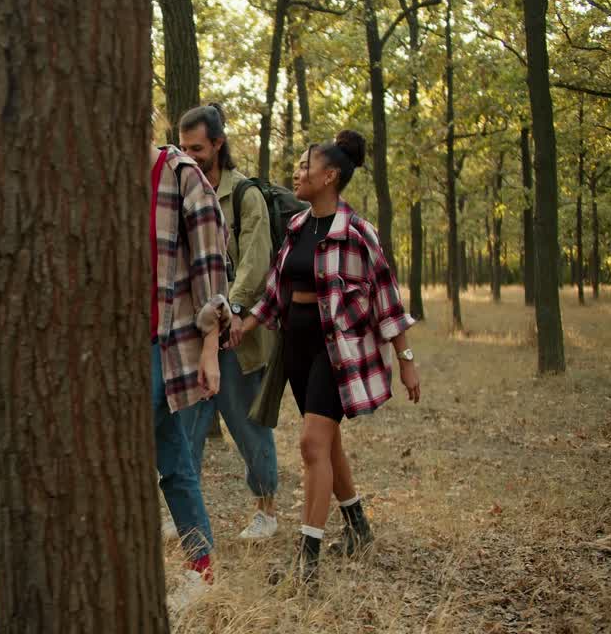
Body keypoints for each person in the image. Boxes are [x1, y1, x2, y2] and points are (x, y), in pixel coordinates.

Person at [233, 130, 422, 583]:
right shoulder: (297, 227)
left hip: (339, 352)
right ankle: (357, 527)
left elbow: (386, 297)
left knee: (311, 444)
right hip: (296, 350)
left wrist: (407, 358)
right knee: (327, 442)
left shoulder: (358, 232)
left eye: (305, 165)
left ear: (329, 175)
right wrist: (242, 325)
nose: (297, 172)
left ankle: (308, 560)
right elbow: (275, 294)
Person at [174, 104, 280, 541]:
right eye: (183, 148)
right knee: (185, 427)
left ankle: (266, 511)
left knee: (248, 424)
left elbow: (256, 264)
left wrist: (231, 312)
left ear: (218, 144)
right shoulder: (179, 192)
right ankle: (182, 515)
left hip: (237, 337)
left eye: (197, 147)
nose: (189, 155)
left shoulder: (244, 195)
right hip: (193, 334)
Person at [150, 143, 231, 586]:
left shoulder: (183, 176)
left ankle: (197, 571)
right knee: (175, 459)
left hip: (163, 344)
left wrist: (209, 347)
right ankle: (201, 570)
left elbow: (210, 272)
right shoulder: (105, 180)